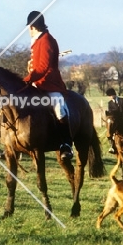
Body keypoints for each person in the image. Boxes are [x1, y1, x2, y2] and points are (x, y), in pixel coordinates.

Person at [23, 11, 73, 161]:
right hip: (37, 81)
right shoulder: (38, 40)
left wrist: (27, 79)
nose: (28, 30)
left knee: (59, 109)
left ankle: (66, 144)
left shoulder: (46, 40)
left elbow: (44, 68)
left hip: (50, 83)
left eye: (29, 27)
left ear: (32, 26)